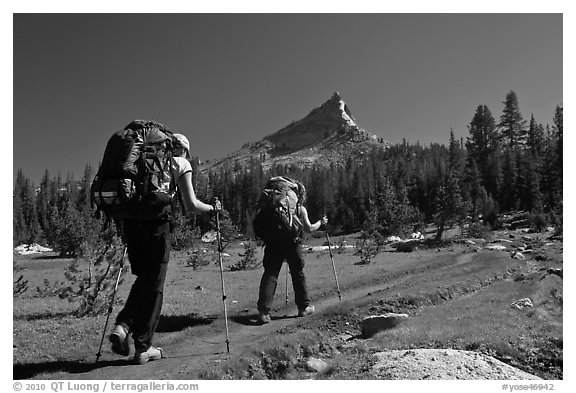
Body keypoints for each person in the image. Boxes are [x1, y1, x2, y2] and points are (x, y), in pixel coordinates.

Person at [109, 133, 221, 365]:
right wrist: (212, 208)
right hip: (157, 226)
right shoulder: (180, 163)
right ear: (181, 149)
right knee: (155, 285)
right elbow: (191, 204)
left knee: (145, 279)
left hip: (131, 224)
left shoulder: (139, 159)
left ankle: (123, 326)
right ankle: (143, 346)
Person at [256, 181, 328, 324]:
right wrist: (321, 222)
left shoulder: (271, 206)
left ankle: (264, 312)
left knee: (270, 274)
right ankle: (303, 307)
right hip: (292, 243)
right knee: (297, 273)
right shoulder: (299, 208)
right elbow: (309, 228)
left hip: (272, 242)